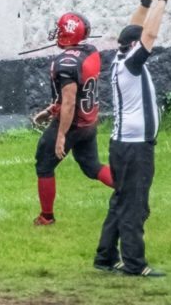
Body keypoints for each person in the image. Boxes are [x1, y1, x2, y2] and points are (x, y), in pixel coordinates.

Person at [93, 0, 171, 277]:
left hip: (123, 145)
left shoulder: (121, 57)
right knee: (134, 206)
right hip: (135, 147)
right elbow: (149, 34)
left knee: (121, 201)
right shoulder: (132, 62)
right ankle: (135, 264)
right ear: (134, 44)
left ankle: (105, 258)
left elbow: (136, 27)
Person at [33, 12, 113, 226]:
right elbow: (76, 94)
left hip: (72, 123)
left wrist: (61, 135)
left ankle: (46, 217)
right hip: (88, 122)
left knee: (44, 165)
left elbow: (69, 101)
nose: (57, 33)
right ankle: (128, 187)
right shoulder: (91, 52)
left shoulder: (65, 63)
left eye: (61, 29)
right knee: (91, 167)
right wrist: (51, 110)